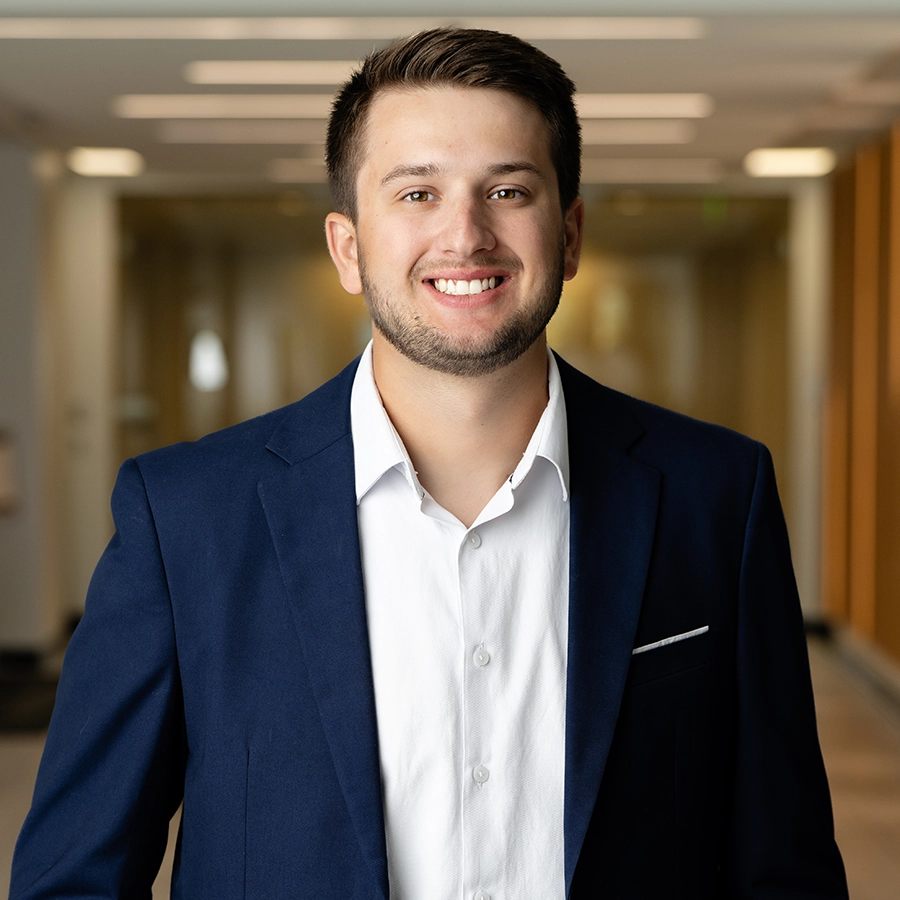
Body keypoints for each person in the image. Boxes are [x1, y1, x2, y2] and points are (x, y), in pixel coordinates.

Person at [11, 27, 847, 900]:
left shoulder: (717, 496)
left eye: (508, 189)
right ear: (348, 247)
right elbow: (74, 878)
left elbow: (784, 867)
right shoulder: (186, 519)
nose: (465, 234)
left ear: (568, 236)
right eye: (416, 192)